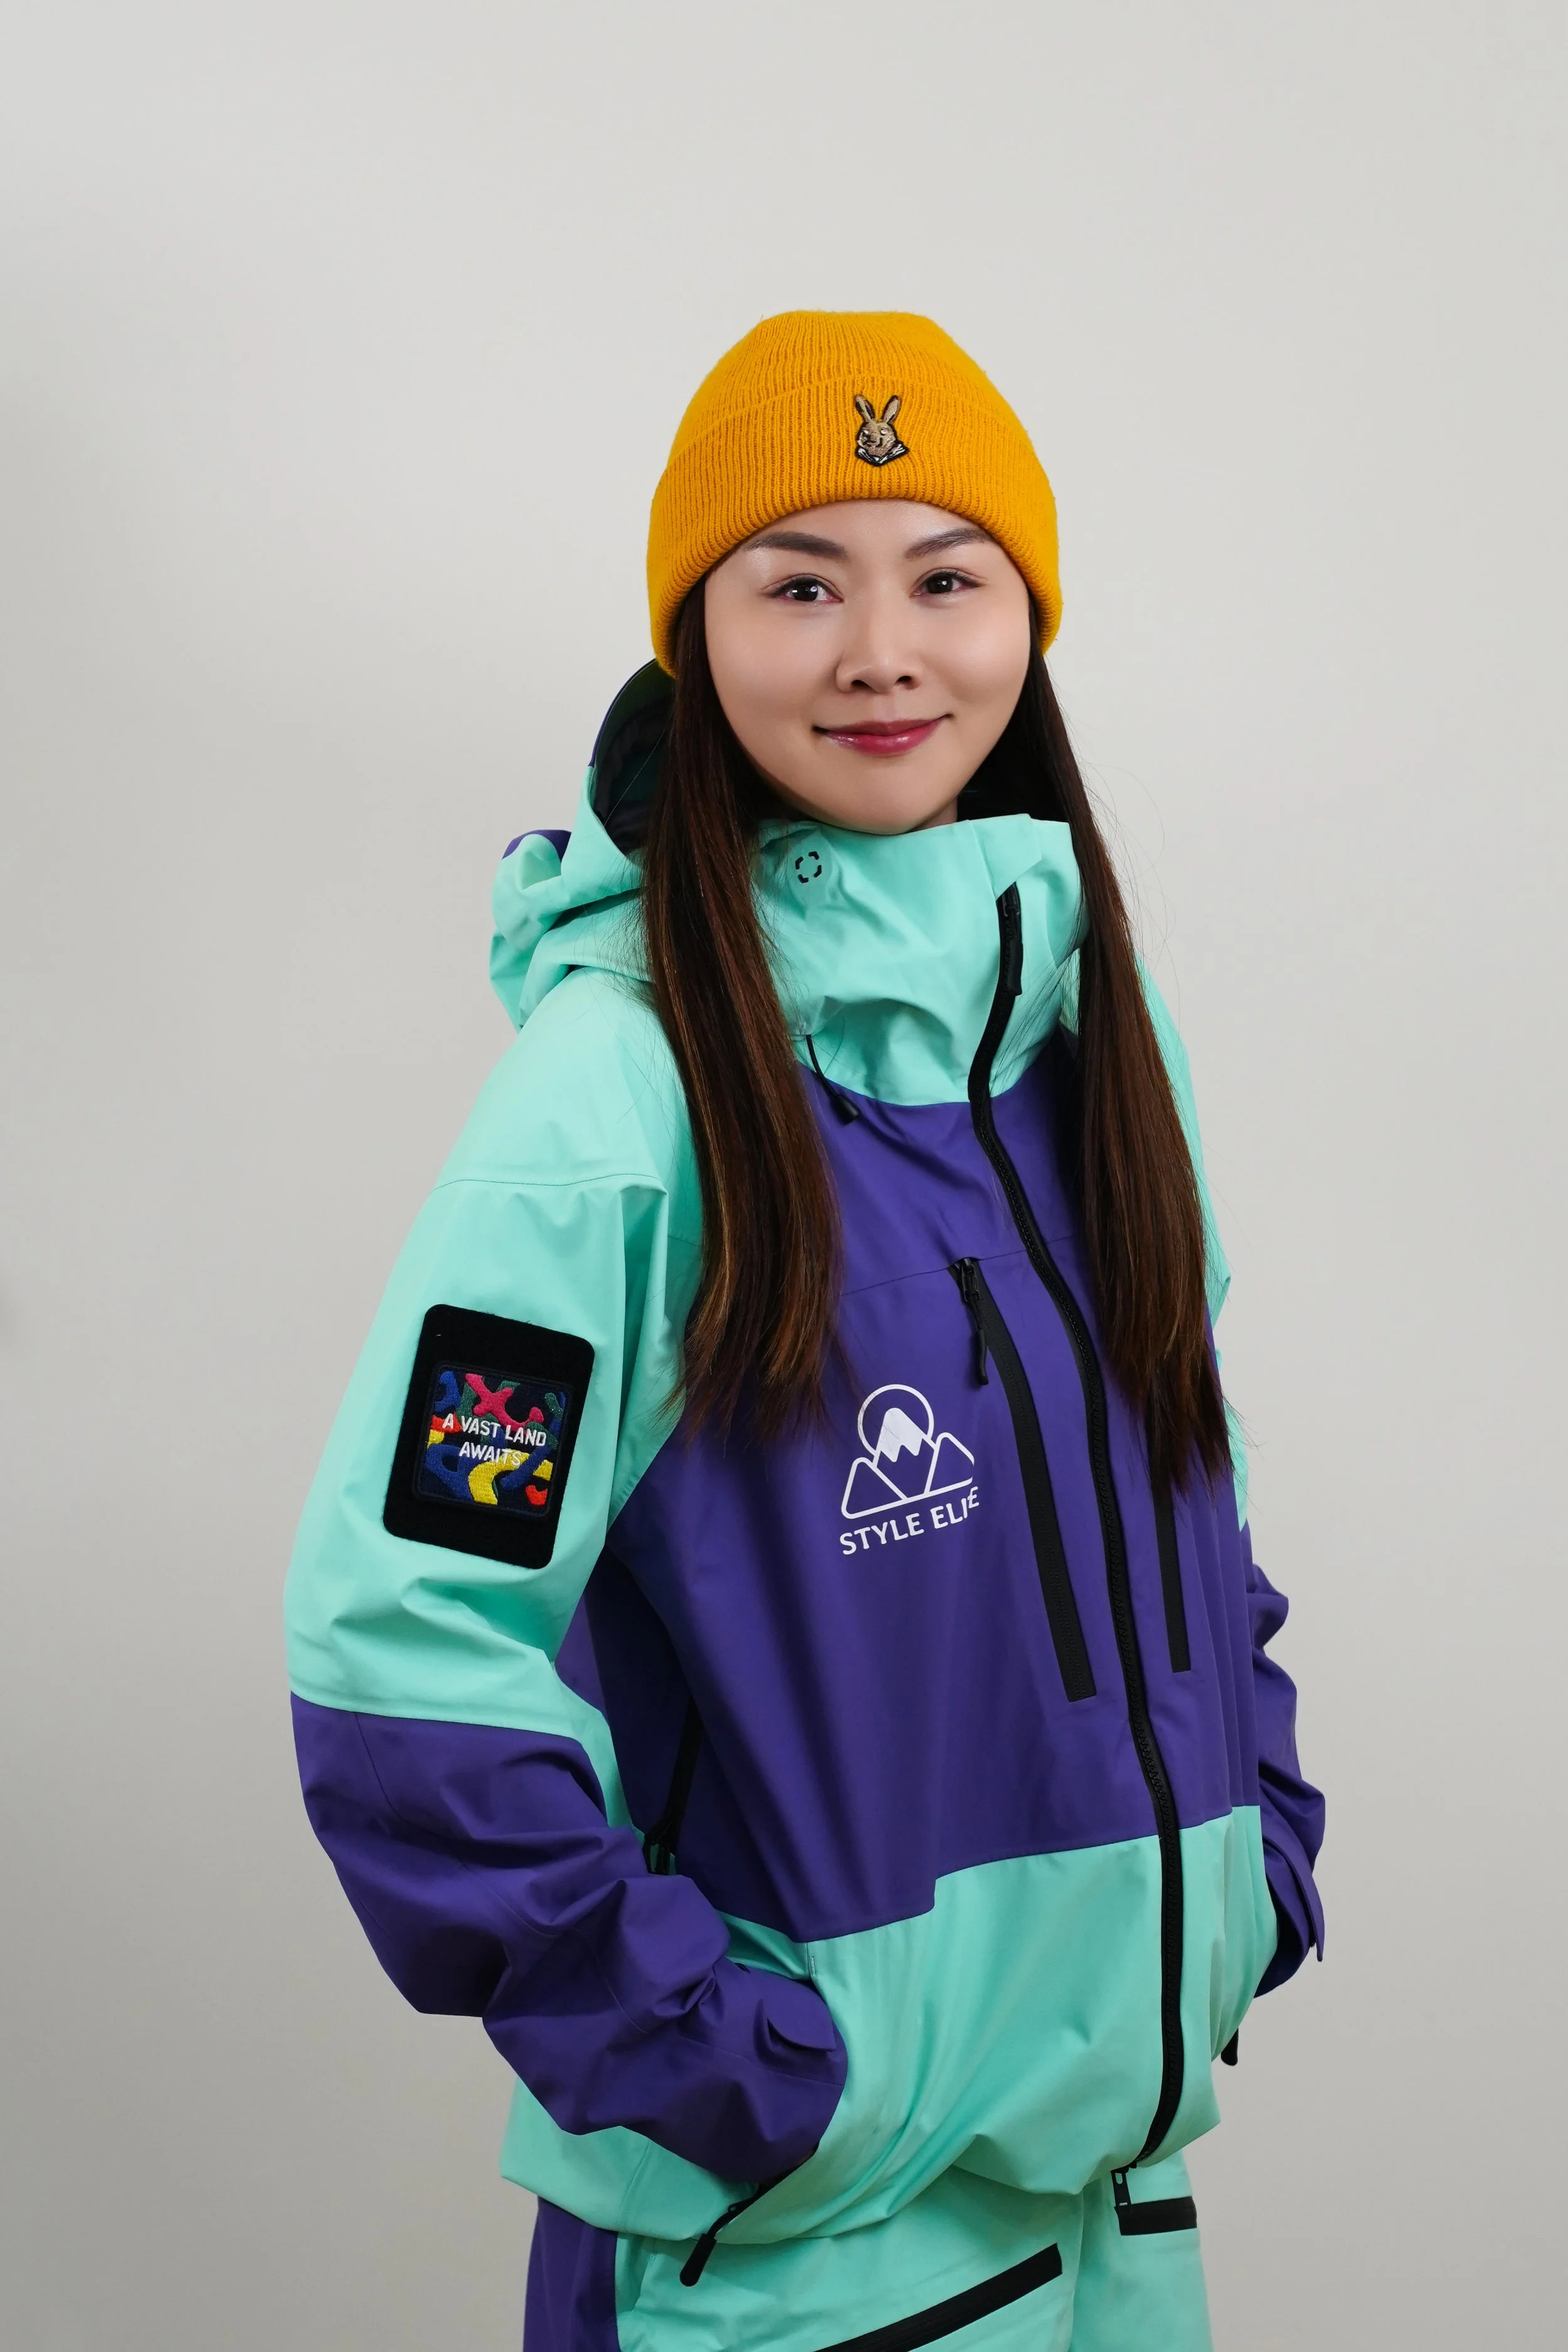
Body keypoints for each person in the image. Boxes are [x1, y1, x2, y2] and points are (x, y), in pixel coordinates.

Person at [285, 311, 1325, 2352]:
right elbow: (400, 1638)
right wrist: (731, 2068)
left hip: (1112, 2207)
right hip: (789, 2255)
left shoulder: (1095, 1042)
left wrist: (1248, 1867)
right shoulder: (614, 1096)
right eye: (797, 585)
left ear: (1026, 619)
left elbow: (1189, 1504)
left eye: (944, 577)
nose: (880, 652)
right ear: (693, 635)